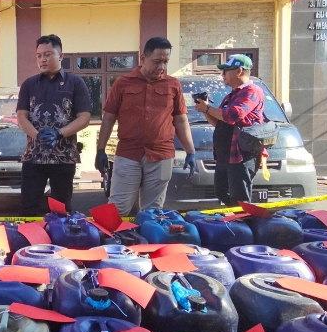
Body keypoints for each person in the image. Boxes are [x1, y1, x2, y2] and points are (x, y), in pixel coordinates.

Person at [96, 37, 196, 215]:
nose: (162, 67)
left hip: (161, 154)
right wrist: (101, 150)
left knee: (153, 211)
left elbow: (180, 120)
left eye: (165, 62)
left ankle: (147, 235)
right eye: (157, 61)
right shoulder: (122, 83)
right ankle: (111, 235)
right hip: (128, 153)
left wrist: (190, 152)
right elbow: (109, 118)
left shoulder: (173, 85)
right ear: (143, 58)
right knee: (117, 209)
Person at [16, 35, 92, 216]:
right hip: (34, 157)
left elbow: (84, 117)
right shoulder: (29, 84)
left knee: (61, 209)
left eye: (48, 54)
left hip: (63, 157)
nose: (42, 59)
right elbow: (21, 117)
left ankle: (60, 235)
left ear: (61, 55)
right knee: (28, 208)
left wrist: (59, 133)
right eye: (39, 55)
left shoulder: (75, 83)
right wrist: (37, 135)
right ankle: (31, 235)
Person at [195, 54, 266, 205]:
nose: (223, 75)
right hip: (225, 155)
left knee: (240, 198)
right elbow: (218, 122)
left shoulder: (252, 91)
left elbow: (233, 115)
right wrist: (204, 109)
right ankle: (238, 217)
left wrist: (207, 108)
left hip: (241, 155)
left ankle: (245, 219)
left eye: (226, 71)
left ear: (239, 71)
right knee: (221, 192)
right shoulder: (231, 95)